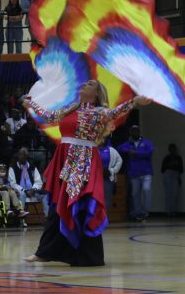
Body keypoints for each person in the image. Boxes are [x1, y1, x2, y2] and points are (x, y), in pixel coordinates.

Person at [23, 80, 150, 266]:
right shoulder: (70, 108)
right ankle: (45, 251)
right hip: (64, 159)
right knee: (59, 203)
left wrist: (134, 101)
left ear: (96, 93)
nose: (83, 84)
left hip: (82, 161)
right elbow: (49, 116)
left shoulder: (99, 112)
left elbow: (115, 112)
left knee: (76, 204)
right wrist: (30, 104)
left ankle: (85, 255)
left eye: (90, 84)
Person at [118, 125, 154, 222]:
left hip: (146, 172)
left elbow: (149, 153)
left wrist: (135, 153)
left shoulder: (146, 142)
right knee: (135, 194)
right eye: (133, 131)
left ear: (139, 132)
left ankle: (145, 212)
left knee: (146, 189)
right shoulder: (129, 143)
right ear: (130, 133)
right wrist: (128, 150)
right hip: (134, 173)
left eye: (136, 131)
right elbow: (119, 148)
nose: (135, 133)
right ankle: (138, 213)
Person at [8, 147, 47, 216]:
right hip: (21, 191)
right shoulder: (13, 168)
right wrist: (25, 190)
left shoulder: (32, 167)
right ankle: (21, 219)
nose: (20, 157)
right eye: (19, 155)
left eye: (22, 155)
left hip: (33, 191)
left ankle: (47, 217)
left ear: (26, 156)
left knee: (45, 195)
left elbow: (38, 182)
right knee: (22, 194)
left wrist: (33, 189)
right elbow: (13, 184)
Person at [98, 138, 122, 211]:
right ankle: (96, 219)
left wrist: (113, 171)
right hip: (96, 178)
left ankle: (104, 218)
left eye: (104, 138)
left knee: (107, 198)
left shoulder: (112, 150)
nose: (102, 140)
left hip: (108, 177)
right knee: (96, 198)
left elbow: (119, 160)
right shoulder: (93, 149)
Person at [161, 143, 183, 217]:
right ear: (169, 150)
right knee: (168, 193)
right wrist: (169, 165)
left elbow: (181, 169)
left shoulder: (178, 158)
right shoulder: (166, 158)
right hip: (168, 174)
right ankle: (168, 211)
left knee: (174, 194)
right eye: (171, 149)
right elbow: (162, 169)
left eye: (174, 149)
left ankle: (173, 211)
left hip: (175, 174)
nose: (173, 150)